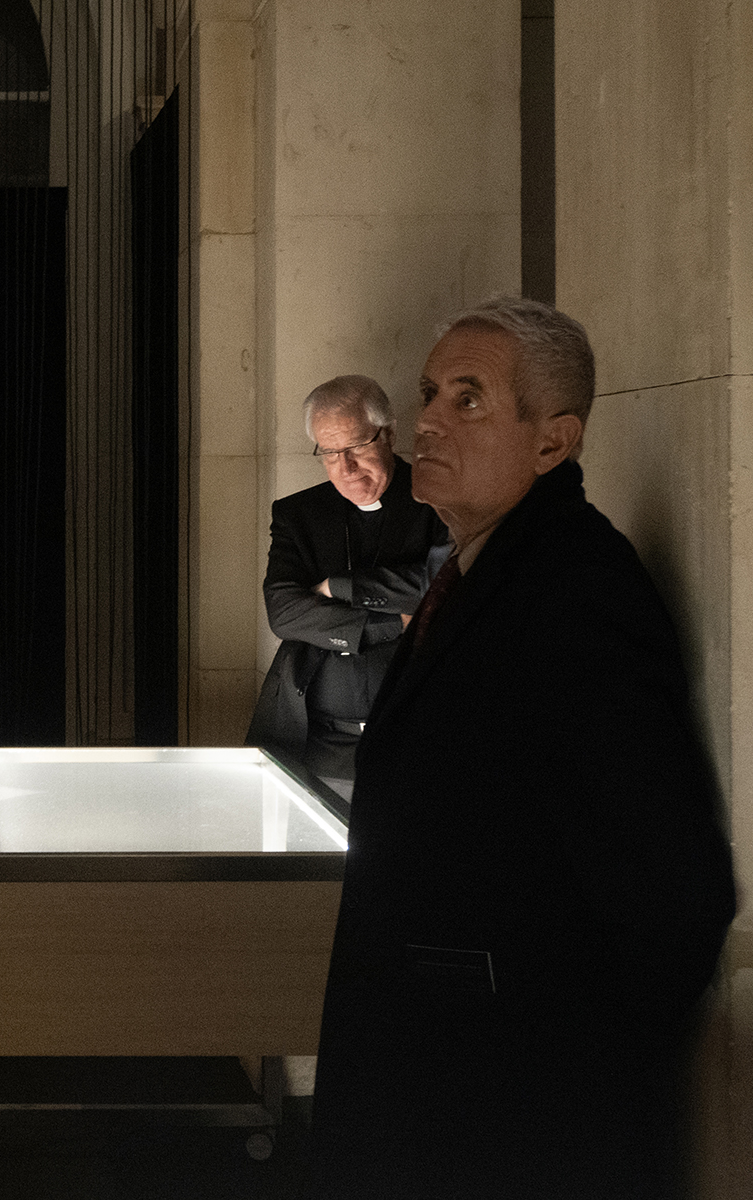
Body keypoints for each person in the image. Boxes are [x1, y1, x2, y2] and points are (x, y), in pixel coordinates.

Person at [307, 296, 737, 1199]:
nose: (429, 419)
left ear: (553, 443)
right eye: (431, 393)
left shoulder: (577, 592)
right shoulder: (483, 572)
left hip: (510, 1114)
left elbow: (675, 896)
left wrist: (557, 1076)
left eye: (469, 398)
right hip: (443, 1082)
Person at [246, 375, 445, 800]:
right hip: (316, 740)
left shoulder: (439, 503)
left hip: (418, 739)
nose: (346, 467)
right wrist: (391, 624)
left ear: (388, 434)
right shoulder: (299, 514)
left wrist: (340, 586)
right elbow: (283, 611)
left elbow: (442, 584)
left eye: (356, 446)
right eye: (330, 453)